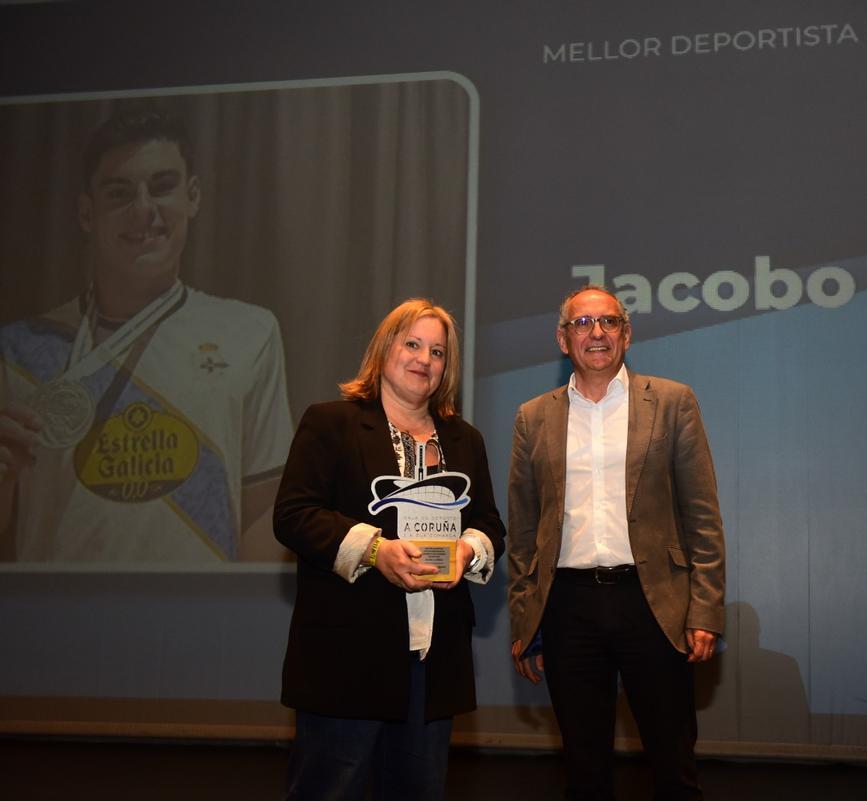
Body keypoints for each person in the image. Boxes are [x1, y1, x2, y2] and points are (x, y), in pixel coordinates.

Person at [0, 106, 293, 562]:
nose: (143, 211)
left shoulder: (249, 333)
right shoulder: (17, 351)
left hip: (196, 623)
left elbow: (265, 512)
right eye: (119, 193)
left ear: (192, 196)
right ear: (85, 212)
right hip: (55, 623)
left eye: (162, 187)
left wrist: (243, 625)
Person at [274, 298, 505, 801]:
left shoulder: (465, 440)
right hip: (344, 656)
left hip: (433, 657)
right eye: (413, 344)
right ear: (385, 350)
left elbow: (488, 523)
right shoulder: (331, 423)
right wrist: (376, 551)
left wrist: (468, 552)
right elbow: (294, 515)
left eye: (438, 352)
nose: (425, 359)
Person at [507, 285, 725, 801]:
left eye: (608, 322)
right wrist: (524, 617)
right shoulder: (532, 417)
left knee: (673, 765)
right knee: (584, 770)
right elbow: (522, 529)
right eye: (582, 324)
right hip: (567, 608)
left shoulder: (673, 403)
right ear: (563, 340)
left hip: (655, 604)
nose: (596, 333)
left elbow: (703, 516)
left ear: (627, 334)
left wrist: (706, 610)